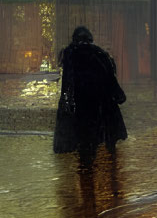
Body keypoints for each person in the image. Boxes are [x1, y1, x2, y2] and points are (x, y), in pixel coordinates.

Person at [54, 26, 127, 158]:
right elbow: (111, 81)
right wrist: (118, 95)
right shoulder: (100, 54)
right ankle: (111, 174)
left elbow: (67, 84)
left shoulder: (70, 54)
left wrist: (65, 106)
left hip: (82, 107)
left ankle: (88, 175)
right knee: (106, 150)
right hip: (99, 107)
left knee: (85, 152)